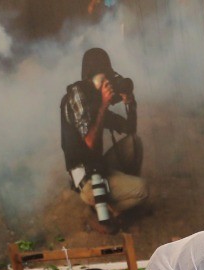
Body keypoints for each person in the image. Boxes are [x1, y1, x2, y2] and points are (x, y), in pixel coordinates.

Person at [59, 47, 147, 230]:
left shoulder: (97, 99)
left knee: (134, 143)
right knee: (142, 190)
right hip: (87, 178)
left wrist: (130, 104)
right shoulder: (77, 96)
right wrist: (103, 104)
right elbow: (90, 143)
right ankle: (103, 209)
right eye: (103, 79)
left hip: (99, 166)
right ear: (89, 78)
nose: (107, 84)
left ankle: (117, 195)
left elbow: (130, 129)